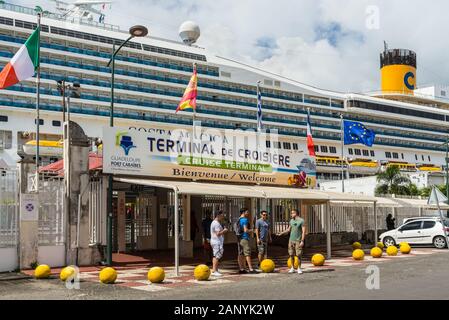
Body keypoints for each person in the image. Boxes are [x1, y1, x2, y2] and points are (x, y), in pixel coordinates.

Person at [277, 209, 306, 274]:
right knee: (291, 254)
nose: (291, 214)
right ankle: (292, 267)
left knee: (298, 255)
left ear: (296, 213)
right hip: (291, 240)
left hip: (298, 240)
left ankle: (299, 268)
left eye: (292, 213)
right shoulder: (291, 221)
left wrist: (302, 241)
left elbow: (304, 231)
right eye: (291, 213)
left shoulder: (301, 221)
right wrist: (281, 233)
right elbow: (288, 229)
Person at [236, 208, 258, 274]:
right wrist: (252, 230)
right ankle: (251, 269)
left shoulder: (238, 219)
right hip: (244, 238)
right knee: (247, 253)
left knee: (240, 253)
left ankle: (241, 268)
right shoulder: (244, 220)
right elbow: (245, 230)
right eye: (247, 212)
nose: (248, 213)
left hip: (239, 238)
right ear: (243, 212)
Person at [210, 210, 228, 277]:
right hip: (217, 242)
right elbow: (218, 234)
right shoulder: (216, 223)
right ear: (218, 215)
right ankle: (214, 270)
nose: (223, 217)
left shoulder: (215, 222)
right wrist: (224, 230)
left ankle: (215, 270)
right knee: (216, 256)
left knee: (215, 255)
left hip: (216, 241)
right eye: (222, 215)